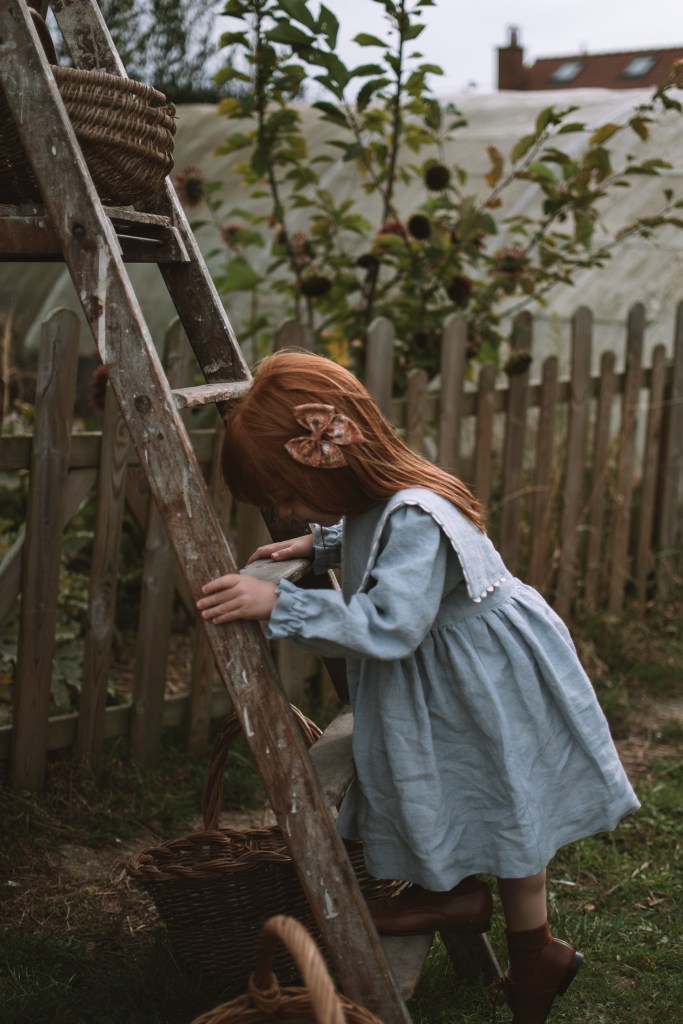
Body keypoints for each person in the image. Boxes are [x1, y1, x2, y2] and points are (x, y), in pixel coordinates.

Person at [196, 350, 639, 1024]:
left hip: (481, 677)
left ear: (327, 458)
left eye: (285, 496)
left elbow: (388, 623)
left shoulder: (414, 513)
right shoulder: (391, 497)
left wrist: (279, 604)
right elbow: (372, 535)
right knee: (488, 794)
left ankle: (502, 929)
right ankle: (517, 940)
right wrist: (319, 545)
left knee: (496, 797)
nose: (284, 512)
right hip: (473, 669)